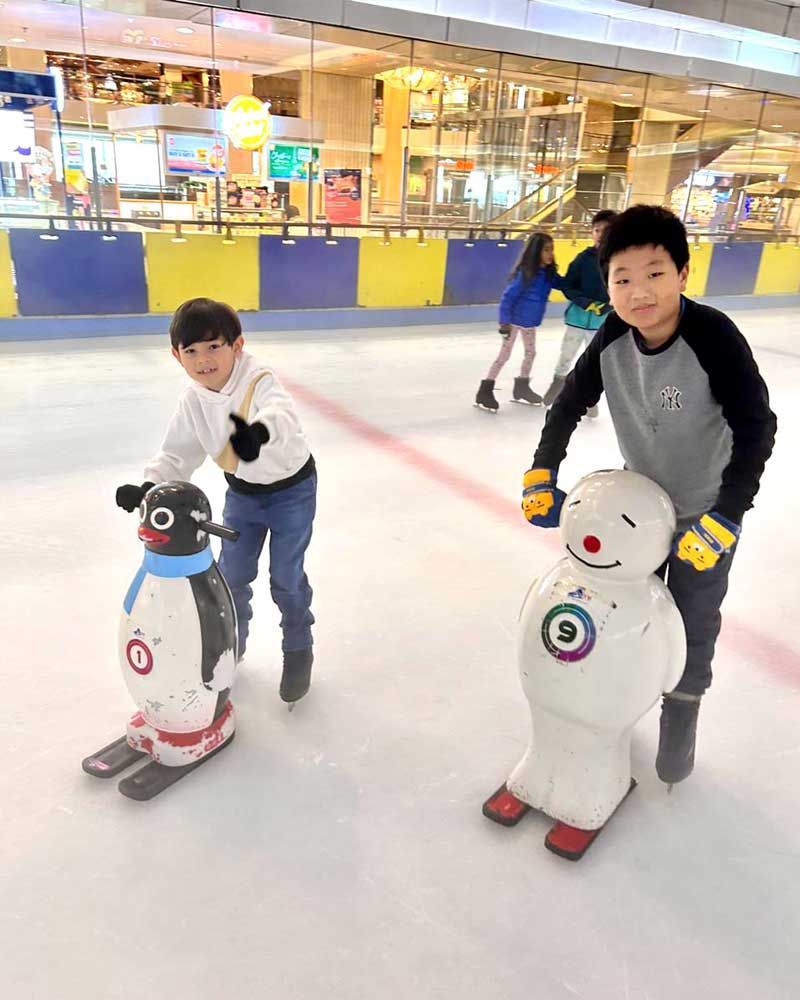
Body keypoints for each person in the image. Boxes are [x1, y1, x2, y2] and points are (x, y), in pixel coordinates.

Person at [520, 205, 777, 785]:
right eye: (623, 278)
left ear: (683, 274)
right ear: (608, 284)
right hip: (637, 516)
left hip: (704, 516)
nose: (639, 292)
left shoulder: (713, 336)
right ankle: (613, 702)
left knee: (691, 617)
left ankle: (682, 707)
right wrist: (542, 471)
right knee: (623, 612)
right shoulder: (612, 335)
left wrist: (727, 515)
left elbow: (758, 427)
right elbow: (568, 405)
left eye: (655, 273)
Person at [115, 298, 317, 707]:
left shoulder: (257, 379)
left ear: (237, 345)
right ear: (177, 356)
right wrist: (148, 487)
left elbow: (282, 413)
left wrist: (257, 433)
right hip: (243, 494)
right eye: (191, 351)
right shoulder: (192, 401)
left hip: (292, 492)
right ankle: (231, 645)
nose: (203, 360)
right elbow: (176, 455)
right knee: (232, 576)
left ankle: (298, 647)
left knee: (285, 578)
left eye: (213, 347)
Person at [474, 232, 564, 412]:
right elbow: (508, 297)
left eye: (552, 250)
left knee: (531, 353)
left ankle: (522, 387)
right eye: (546, 250)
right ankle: (485, 390)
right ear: (535, 251)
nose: (550, 254)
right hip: (514, 321)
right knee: (504, 356)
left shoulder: (547, 274)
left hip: (529, 322)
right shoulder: (526, 273)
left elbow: (564, 284)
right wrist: (504, 322)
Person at [541, 209, 618, 417]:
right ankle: (556, 385)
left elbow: (623, 288)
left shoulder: (618, 261)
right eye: (597, 229)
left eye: (606, 230)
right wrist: (585, 303)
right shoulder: (583, 259)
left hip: (601, 323)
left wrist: (609, 306)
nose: (601, 234)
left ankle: (589, 399)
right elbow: (568, 285)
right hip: (577, 318)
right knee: (567, 354)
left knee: (593, 361)